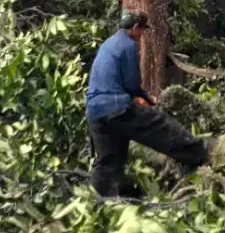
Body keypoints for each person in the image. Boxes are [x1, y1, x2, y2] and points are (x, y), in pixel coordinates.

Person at [86, 11, 212, 197]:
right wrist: (147, 99)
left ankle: (98, 203)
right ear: (135, 28)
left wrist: (142, 96)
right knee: (159, 124)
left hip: (95, 111)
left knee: (109, 160)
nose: (141, 35)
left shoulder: (108, 43)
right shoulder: (128, 45)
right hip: (116, 107)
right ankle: (198, 152)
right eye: (142, 31)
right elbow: (131, 84)